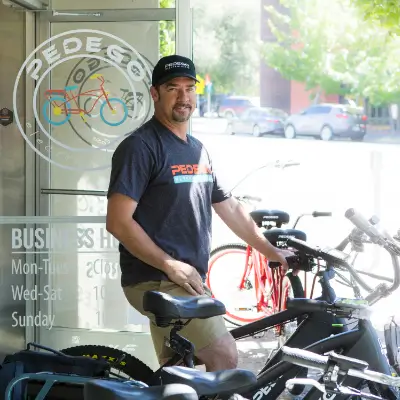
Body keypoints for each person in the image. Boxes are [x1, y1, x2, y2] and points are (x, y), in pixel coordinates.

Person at [106, 54, 294, 372]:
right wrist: (171, 266)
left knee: (179, 374)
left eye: (189, 88)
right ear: (155, 94)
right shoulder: (140, 147)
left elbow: (229, 207)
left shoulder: (198, 149)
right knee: (224, 356)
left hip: (184, 280)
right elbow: (118, 222)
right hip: (155, 279)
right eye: (172, 88)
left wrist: (271, 251)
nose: (183, 97)